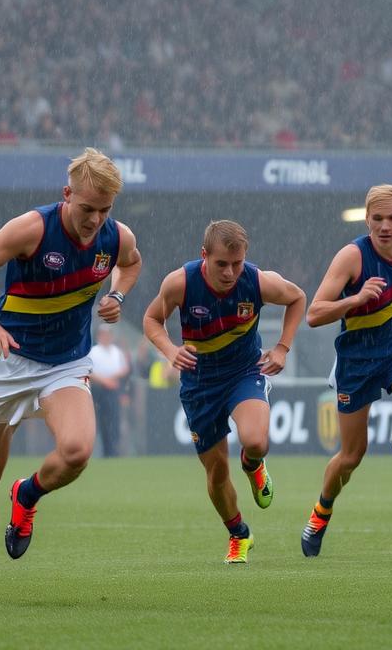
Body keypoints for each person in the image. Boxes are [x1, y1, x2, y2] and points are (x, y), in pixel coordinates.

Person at [0, 147, 141, 602]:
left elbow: (132, 262)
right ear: (67, 194)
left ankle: (27, 494)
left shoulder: (115, 237)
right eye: (86, 209)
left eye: (104, 210)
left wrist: (118, 297)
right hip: (9, 363)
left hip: (65, 363)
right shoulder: (33, 229)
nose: (94, 220)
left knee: (79, 451)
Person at [300, 184, 392, 557]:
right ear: (367, 219)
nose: (385, 226)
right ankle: (321, 512)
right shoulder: (352, 257)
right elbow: (314, 313)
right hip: (357, 362)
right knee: (351, 456)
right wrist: (355, 298)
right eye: (377, 219)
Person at [143, 220, 305, 563]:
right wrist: (171, 351)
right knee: (216, 475)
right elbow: (151, 320)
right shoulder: (181, 282)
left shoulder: (258, 282)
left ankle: (253, 463)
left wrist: (282, 348)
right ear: (204, 256)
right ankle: (239, 534)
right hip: (199, 383)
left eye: (238, 263)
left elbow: (297, 298)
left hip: (244, 372)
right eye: (222, 264)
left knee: (256, 440)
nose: (231, 273)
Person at [88, 323, 129, 457]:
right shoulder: (94, 351)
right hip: (99, 390)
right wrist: (105, 381)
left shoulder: (116, 351)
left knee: (114, 419)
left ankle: (114, 450)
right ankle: (106, 450)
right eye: (104, 334)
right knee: (103, 420)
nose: (107, 337)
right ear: (100, 336)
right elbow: (89, 372)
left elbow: (125, 369)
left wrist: (112, 378)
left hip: (114, 390)